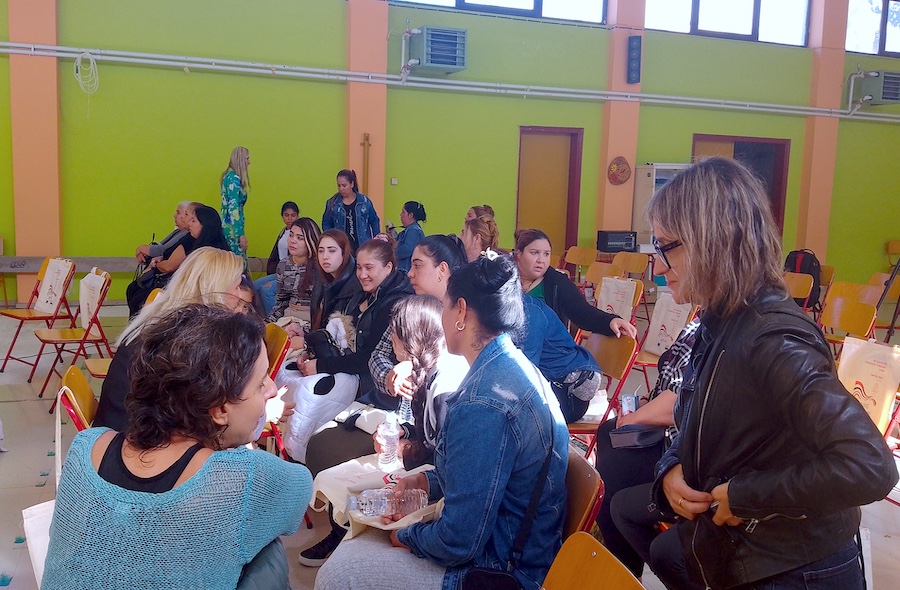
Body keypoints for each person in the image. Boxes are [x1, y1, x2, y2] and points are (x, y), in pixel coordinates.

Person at [645, 157, 897, 589]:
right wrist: (670, 469)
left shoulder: (772, 338)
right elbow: (693, 421)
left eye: (666, 247)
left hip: (794, 568)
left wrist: (747, 496)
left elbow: (870, 465)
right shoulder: (719, 321)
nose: (659, 266)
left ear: (711, 242)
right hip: (746, 552)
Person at [315, 252, 569, 590]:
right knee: (360, 542)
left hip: (502, 570)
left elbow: (458, 541)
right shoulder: (512, 366)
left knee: (339, 571)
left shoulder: (484, 401)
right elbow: (488, 477)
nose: (442, 316)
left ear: (461, 311)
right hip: (517, 547)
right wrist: (426, 482)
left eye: (444, 306)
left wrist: (406, 536)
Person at [42, 304, 313, 590]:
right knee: (267, 550)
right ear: (220, 409)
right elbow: (300, 489)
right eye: (260, 384)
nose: (272, 390)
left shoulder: (85, 447)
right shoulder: (243, 479)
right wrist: (248, 437)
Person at [591, 319, 699, 579]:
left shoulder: (718, 333)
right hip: (676, 440)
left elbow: (680, 403)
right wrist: (644, 405)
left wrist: (636, 417)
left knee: (614, 478)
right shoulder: (704, 325)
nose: (660, 275)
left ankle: (622, 572)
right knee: (609, 434)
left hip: (690, 451)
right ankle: (616, 557)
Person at [95, 247, 247, 432]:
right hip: (133, 437)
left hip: (117, 428)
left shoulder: (166, 317)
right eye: (237, 286)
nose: (240, 295)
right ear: (218, 290)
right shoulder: (186, 340)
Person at [515, 228, 637, 340]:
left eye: (546, 254)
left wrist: (610, 321)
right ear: (519, 254)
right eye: (534, 253)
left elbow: (582, 312)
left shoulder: (557, 282)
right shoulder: (507, 279)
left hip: (546, 349)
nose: (541, 260)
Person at [266, 217, 321, 324]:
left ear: (311, 241)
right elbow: (282, 301)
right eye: (291, 235)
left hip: (312, 319)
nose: (293, 240)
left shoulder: (320, 266)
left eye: (300, 238)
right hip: (289, 316)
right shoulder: (283, 265)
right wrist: (268, 321)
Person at [255, 201, 300, 316]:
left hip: (293, 274)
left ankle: (276, 320)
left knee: (267, 291)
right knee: (254, 286)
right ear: (282, 216)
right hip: (280, 271)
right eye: (286, 215)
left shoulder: (299, 233)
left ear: (297, 216)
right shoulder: (283, 232)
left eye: (293, 215)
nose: (290, 218)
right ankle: (261, 317)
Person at [321, 169, 380, 253]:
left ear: (351, 184)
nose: (341, 189)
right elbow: (326, 223)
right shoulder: (332, 203)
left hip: (363, 246)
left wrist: (376, 239)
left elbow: (374, 220)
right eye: (339, 185)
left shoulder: (364, 201)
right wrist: (332, 239)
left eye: (344, 185)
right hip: (342, 247)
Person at [134, 201, 191, 266]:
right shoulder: (178, 231)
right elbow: (160, 245)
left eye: (178, 212)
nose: (174, 215)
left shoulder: (186, 233)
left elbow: (162, 250)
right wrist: (144, 253)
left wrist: (140, 248)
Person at [221, 146, 251, 264]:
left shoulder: (228, 177)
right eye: (247, 158)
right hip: (233, 229)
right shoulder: (233, 179)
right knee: (237, 263)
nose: (249, 162)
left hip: (229, 226)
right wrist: (240, 234)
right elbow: (233, 209)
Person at [395, 201, 427, 274]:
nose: (400, 215)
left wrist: (391, 255)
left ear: (410, 215)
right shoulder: (410, 229)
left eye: (403, 212)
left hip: (407, 271)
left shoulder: (413, 230)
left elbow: (407, 249)